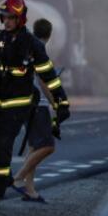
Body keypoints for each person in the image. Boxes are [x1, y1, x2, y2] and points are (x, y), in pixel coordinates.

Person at [0, 0, 70, 210]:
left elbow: (49, 76)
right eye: (4, 17)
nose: (6, 21)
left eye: (11, 18)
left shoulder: (33, 45)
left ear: (21, 19)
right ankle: (3, 176)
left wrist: (62, 103)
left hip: (16, 107)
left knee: (1, 148)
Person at [11, 18, 68, 203]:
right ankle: (18, 178)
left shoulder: (26, 48)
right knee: (47, 146)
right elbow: (44, 82)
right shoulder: (40, 50)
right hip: (38, 105)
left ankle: (30, 190)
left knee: (34, 146)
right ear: (49, 34)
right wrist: (55, 103)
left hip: (25, 103)